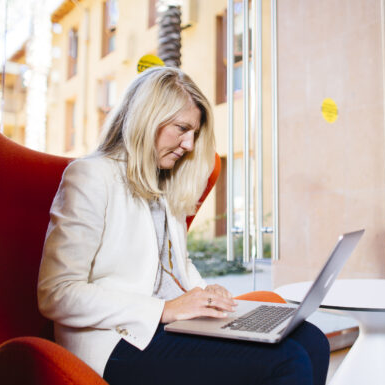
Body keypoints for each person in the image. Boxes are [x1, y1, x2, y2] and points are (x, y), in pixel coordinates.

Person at [37, 67, 329, 385]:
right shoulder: (91, 176)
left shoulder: (164, 184)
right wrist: (164, 309)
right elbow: (57, 293)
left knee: (312, 340)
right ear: (148, 116)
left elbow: (177, 265)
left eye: (194, 133)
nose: (189, 144)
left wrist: (203, 293)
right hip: (118, 340)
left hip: (171, 326)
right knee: (287, 361)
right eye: (182, 128)